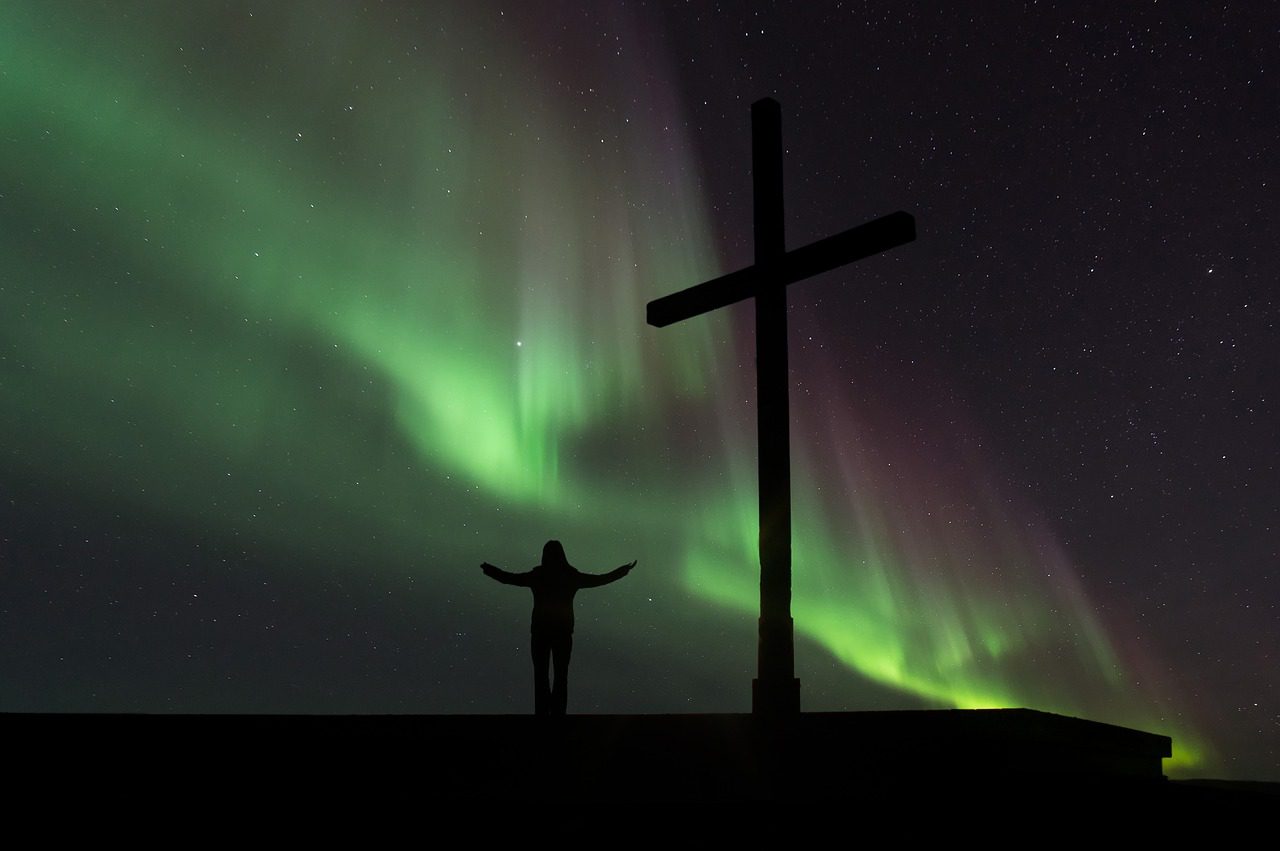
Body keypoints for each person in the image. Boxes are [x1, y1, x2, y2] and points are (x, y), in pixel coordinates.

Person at [482, 540, 635, 715]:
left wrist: (490, 571)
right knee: (560, 676)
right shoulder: (570, 576)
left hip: (541, 632)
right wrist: (622, 572)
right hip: (562, 632)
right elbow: (600, 579)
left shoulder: (539, 576)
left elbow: (510, 578)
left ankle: (542, 714)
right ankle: (558, 714)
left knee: (541, 675)